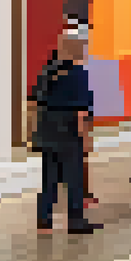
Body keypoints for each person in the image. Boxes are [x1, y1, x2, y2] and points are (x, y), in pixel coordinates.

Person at [30, 31, 103, 235]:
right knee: (74, 177)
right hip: (68, 130)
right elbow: (81, 111)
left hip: (47, 130)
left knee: (49, 178)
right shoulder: (78, 73)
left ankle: (44, 222)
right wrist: (86, 138)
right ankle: (75, 220)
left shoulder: (48, 71)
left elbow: (35, 102)